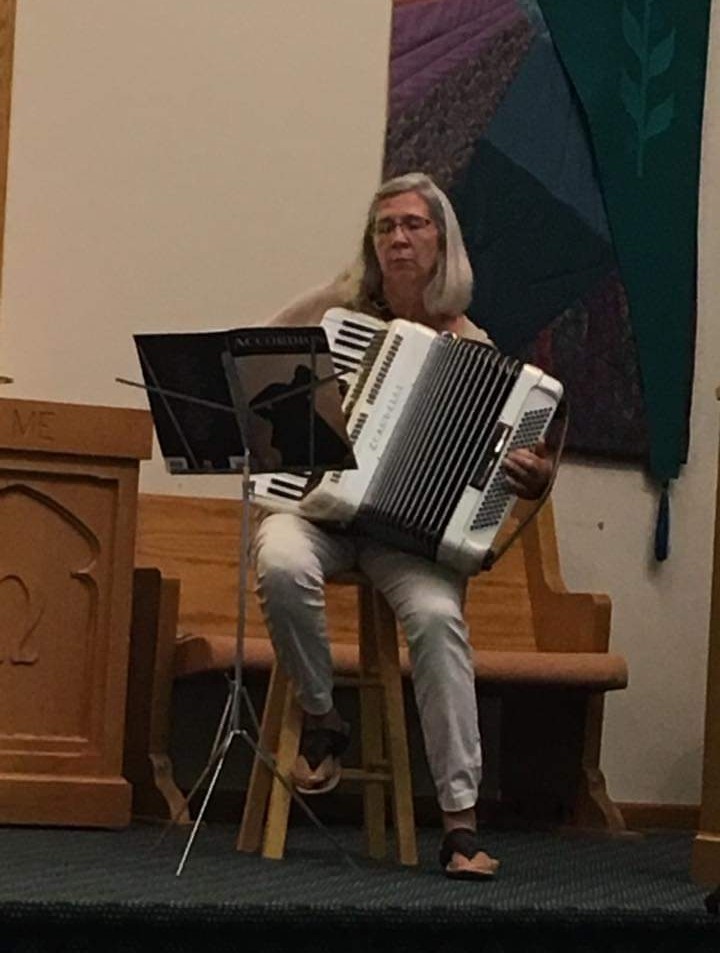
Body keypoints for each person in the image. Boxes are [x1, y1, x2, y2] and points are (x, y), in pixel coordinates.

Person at [252, 172, 553, 879]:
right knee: (277, 560)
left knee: (438, 618)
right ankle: (324, 717)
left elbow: (511, 465)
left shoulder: (474, 347)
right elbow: (258, 358)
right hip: (320, 513)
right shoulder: (336, 308)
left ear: (441, 243)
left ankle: (458, 823)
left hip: (406, 537)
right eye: (385, 227)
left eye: (413, 225)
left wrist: (535, 478)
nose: (397, 238)